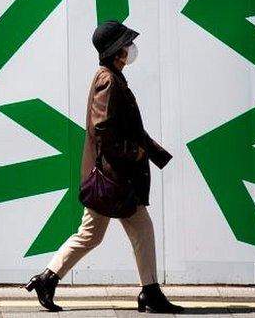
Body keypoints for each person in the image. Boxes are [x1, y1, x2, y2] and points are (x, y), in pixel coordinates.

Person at [25, 20, 181, 313]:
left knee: (93, 234)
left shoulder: (113, 77)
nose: (131, 49)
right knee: (137, 229)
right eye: (126, 45)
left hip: (113, 177)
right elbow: (102, 129)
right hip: (114, 178)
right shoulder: (108, 80)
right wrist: (133, 153)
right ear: (117, 52)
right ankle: (150, 293)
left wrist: (154, 153)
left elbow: (127, 128)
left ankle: (47, 279)